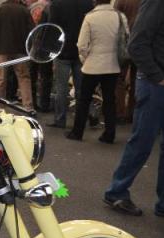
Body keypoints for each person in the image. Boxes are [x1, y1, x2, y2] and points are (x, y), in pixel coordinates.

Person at [104, 0, 164, 218]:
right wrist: (158, 77)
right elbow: (137, 44)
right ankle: (117, 192)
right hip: (157, 84)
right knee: (142, 141)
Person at [65, 0, 128, 143]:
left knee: (84, 99)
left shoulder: (90, 17)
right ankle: (109, 134)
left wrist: (85, 58)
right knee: (109, 100)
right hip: (112, 65)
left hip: (92, 65)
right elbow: (125, 38)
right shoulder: (119, 16)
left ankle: (77, 132)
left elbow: (81, 44)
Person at [47, 0, 94, 128]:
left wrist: (51, 49)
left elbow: (52, 28)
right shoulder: (88, 3)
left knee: (61, 88)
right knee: (82, 88)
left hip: (62, 50)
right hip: (80, 50)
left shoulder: (57, 4)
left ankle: (60, 119)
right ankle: (83, 119)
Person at [0, 0, 35, 112]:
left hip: (2, 49)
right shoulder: (24, 10)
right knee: (23, 77)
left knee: (1, 79)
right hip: (21, 50)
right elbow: (32, 31)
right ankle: (28, 106)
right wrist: (30, 48)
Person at [114, 0, 140, 124]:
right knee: (136, 82)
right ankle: (132, 114)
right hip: (140, 45)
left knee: (119, 80)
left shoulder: (122, 1)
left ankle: (119, 113)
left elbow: (115, 18)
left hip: (123, 45)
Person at [28, 0, 52, 112]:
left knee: (31, 76)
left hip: (32, 46)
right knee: (46, 77)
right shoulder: (50, 7)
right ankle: (45, 104)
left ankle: (32, 103)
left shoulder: (32, 7)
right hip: (46, 47)